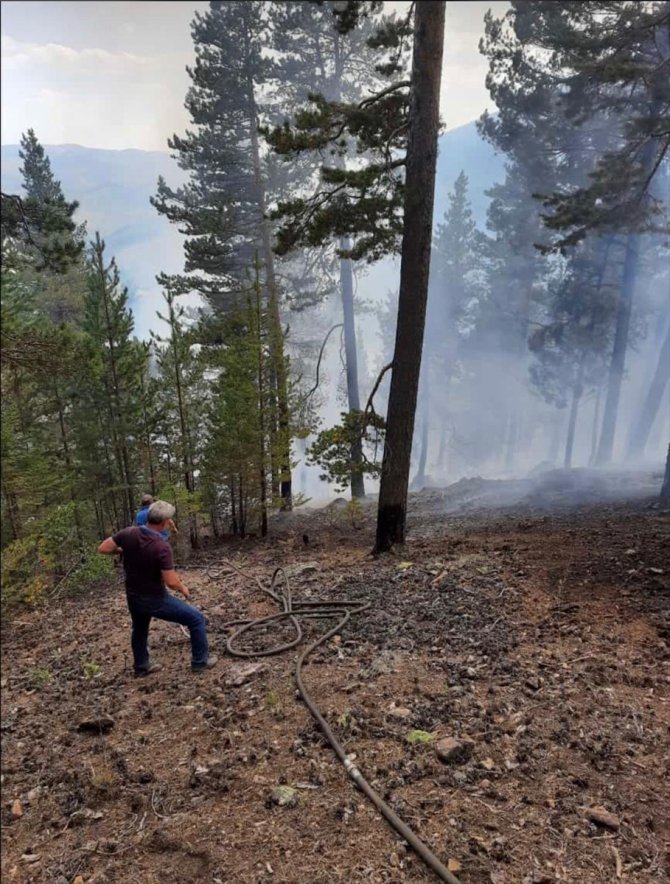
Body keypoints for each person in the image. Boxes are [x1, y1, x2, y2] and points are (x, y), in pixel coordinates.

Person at [98, 500, 217, 676]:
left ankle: (141, 667)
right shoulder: (161, 547)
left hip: (133, 595)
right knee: (196, 619)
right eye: (170, 520)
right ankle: (200, 662)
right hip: (155, 598)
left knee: (139, 629)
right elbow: (171, 581)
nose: (171, 523)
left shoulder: (128, 533)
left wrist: (124, 551)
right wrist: (182, 587)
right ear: (165, 522)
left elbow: (103, 548)